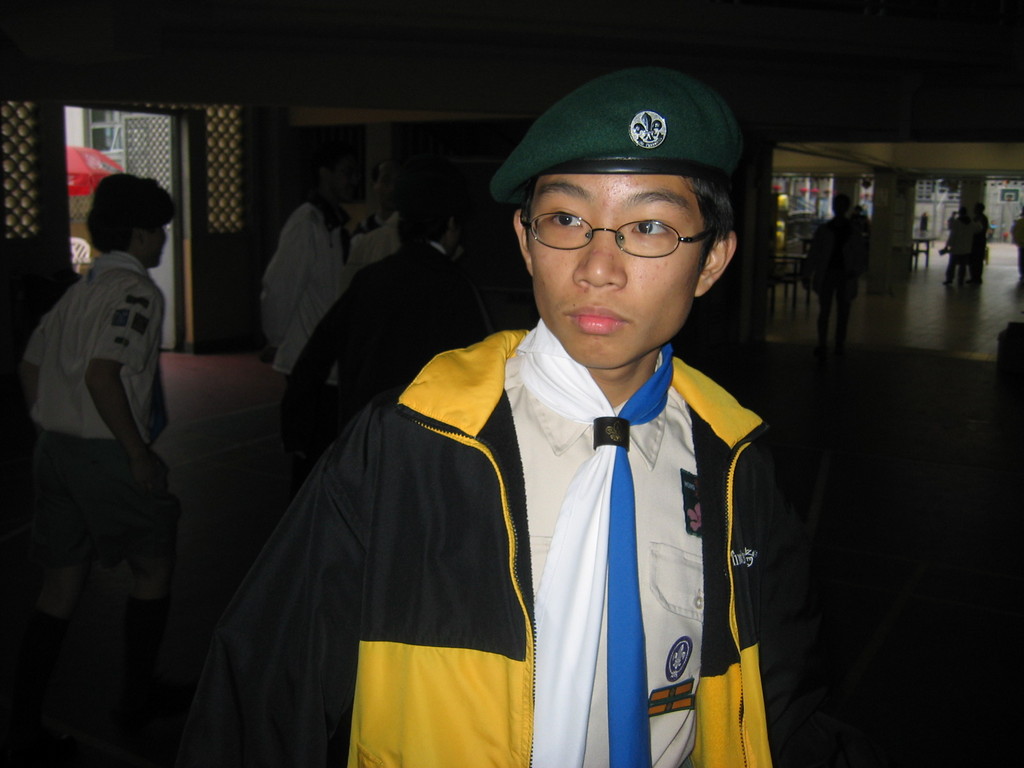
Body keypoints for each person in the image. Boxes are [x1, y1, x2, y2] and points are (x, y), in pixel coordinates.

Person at [177, 68, 882, 768]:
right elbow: (262, 697)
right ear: (524, 239)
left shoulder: (736, 466)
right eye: (566, 220)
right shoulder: (410, 444)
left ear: (712, 260)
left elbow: (783, 707)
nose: (598, 267)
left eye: (650, 227)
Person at [4, 175, 186, 766]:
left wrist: (50, 424)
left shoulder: (77, 291)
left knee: (59, 587)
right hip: (104, 451)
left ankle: (24, 727)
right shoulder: (137, 293)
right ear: (139, 234)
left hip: (55, 450)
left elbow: (30, 366)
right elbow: (103, 375)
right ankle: (136, 697)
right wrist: (137, 453)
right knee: (152, 564)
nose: (163, 240)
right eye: (159, 230)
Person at [281, 154, 492, 460]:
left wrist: (297, 432)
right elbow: (481, 378)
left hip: (364, 441)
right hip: (425, 451)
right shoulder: (458, 289)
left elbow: (315, 356)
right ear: (450, 225)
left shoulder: (370, 279)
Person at [259, 140, 357, 490]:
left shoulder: (334, 225)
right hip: (308, 362)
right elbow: (280, 287)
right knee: (310, 459)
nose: (353, 180)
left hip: (325, 360)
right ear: (324, 174)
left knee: (325, 455)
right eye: (346, 172)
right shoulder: (307, 222)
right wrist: (275, 338)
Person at [803, 193, 868, 359]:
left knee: (836, 311)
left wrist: (808, 273)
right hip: (833, 274)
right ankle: (830, 343)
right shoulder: (844, 231)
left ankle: (833, 343)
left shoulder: (836, 231)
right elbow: (815, 254)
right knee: (833, 311)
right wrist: (807, 273)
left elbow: (815, 254)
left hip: (839, 274)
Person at [351, 158, 398, 241]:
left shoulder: (413, 230)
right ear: (374, 185)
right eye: (386, 181)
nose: (392, 188)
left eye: (397, 181)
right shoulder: (364, 233)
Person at [941, 206, 976, 286]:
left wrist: (947, 246)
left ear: (959, 213)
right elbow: (979, 228)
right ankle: (961, 280)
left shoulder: (956, 222)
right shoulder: (971, 223)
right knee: (963, 266)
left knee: (952, 264)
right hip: (966, 248)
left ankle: (949, 279)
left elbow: (952, 235)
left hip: (955, 248)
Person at [967, 201, 989, 284]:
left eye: (975, 208)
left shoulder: (979, 218)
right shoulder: (982, 218)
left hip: (977, 241)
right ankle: (975, 277)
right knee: (977, 260)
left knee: (975, 260)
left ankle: (976, 277)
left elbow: (977, 230)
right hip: (980, 241)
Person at [1013, 204, 1024, 282]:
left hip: (1021, 244)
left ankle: (1022, 274)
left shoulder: (1019, 222)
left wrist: (1017, 241)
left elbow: (1014, 232)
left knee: (1022, 260)